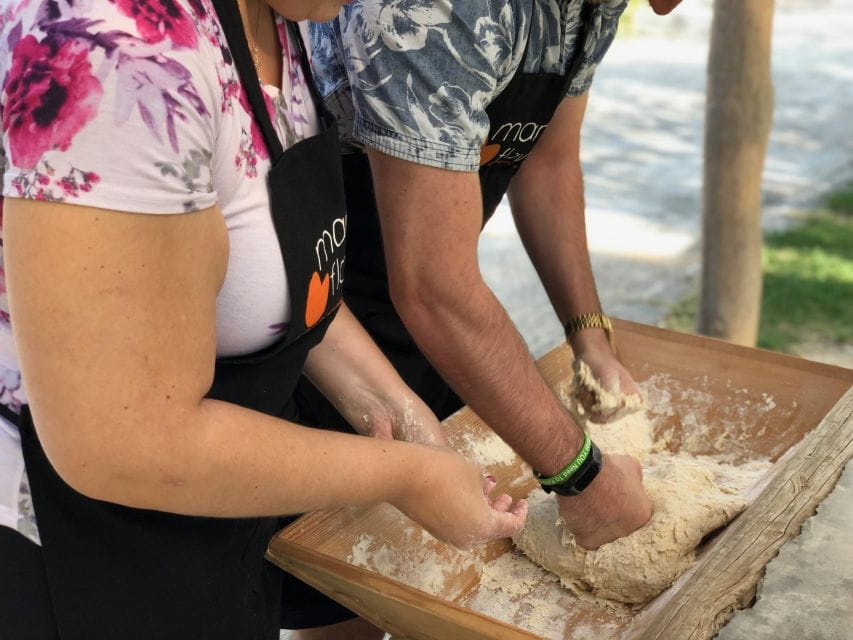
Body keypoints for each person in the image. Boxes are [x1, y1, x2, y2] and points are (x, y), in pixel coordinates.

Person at [0, 0, 529, 637]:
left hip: (203, 518)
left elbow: (282, 276)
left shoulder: (280, 21)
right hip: (70, 546)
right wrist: (411, 476)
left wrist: (397, 407)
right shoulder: (120, 55)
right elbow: (125, 444)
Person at [283, 0, 685, 636]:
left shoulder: (595, 7)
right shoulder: (439, 10)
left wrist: (590, 339)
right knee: (354, 588)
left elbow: (548, 164)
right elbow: (434, 288)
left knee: (440, 574)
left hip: (437, 327)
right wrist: (585, 480)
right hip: (320, 320)